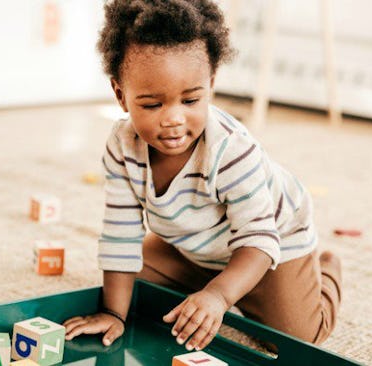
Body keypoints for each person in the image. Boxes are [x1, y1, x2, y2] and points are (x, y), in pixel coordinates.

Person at [63, 0, 342, 353]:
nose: (174, 119)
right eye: (152, 104)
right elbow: (120, 235)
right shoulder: (122, 146)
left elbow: (258, 239)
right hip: (197, 245)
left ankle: (326, 268)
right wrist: (114, 314)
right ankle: (213, 277)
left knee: (296, 338)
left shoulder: (231, 150)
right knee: (135, 290)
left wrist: (219, 295)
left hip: (271, 243)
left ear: (210, 83)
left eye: (191, 100)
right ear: (120, 95)